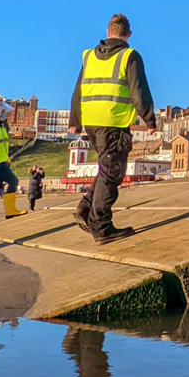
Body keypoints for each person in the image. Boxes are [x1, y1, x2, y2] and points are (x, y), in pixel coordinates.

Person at [68, 13, 156, 244]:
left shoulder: (89, 56)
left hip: (91, 122)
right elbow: (139, 89)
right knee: (113, 172)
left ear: (108, 32)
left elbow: (78, 90)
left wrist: (75, 120)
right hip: (113, 123)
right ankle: (101, 226)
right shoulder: (129, 55)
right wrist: (150, 120)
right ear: (128, 35)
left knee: (107, 168)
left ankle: (87, 207)